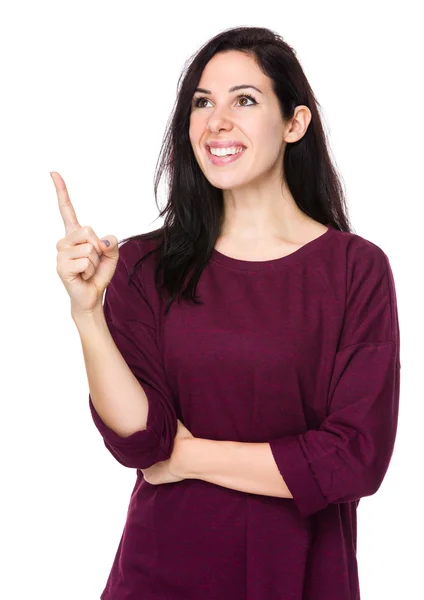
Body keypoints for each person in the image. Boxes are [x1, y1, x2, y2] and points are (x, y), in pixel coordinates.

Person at [54, 25, 401, 600]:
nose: (216, 122)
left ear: (295, 123)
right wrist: (87, 314)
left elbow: (354, 460)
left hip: (301, 579)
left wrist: (187, 456)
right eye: (201, 103)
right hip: (159, 574)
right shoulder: (142, 265)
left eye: (244, 99)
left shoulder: (354, 270)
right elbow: (141, 443)